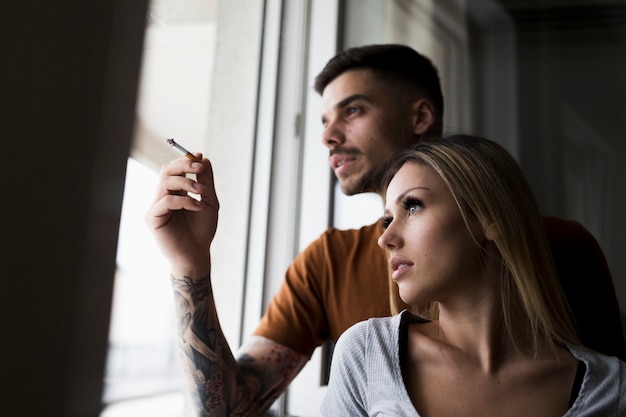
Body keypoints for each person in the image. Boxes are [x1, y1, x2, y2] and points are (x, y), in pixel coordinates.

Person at [145, 44, 626, 416]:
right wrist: (190, 267)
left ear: (420, 116)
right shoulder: (327, 263)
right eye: (324, 121)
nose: (329, 136)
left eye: (352, 111)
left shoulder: (564, 247)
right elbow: (230, 408)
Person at [320, 135, 626, 416]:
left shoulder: (612, 389)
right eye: (387, 220)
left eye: (412, 207)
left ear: (490, 219)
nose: (385, 239)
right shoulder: (367, 356)